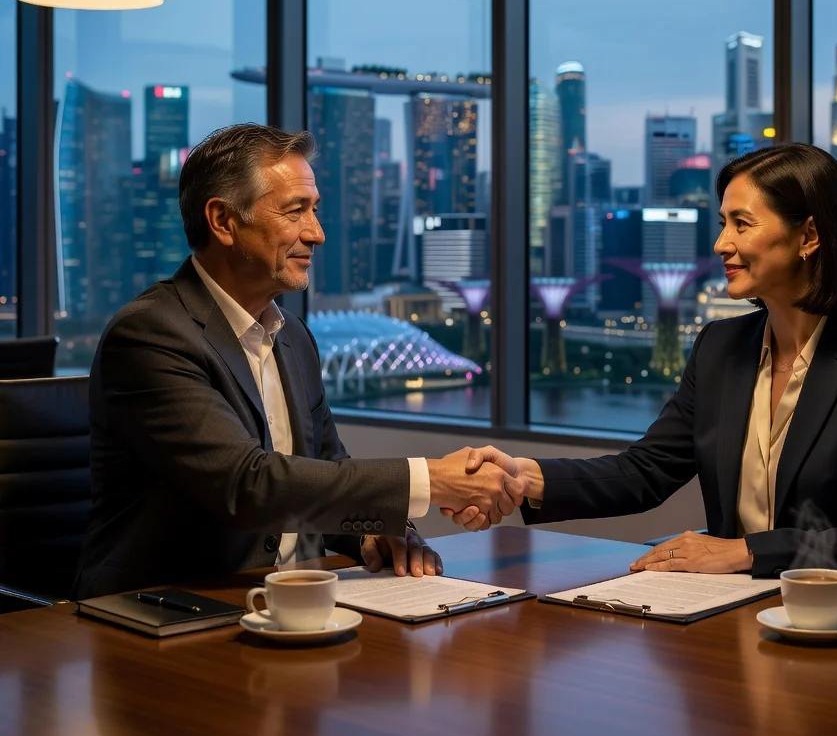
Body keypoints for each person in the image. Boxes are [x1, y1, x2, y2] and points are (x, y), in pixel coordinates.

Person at [449, 144, 837, 580]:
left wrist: (743, 552)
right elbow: (646, 472)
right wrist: (524, 476)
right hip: (733, 608)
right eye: (723, 223)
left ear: (808, 236)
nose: (721, 243)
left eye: (741, 224)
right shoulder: (721, 348)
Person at [73, 124, 519, 599]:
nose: (318, 233)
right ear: (223, 221)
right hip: (171, 615)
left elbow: (325, 468)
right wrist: (431, 479)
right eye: (295, 212)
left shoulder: (294, 338)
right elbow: (248, 487)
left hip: (294, 606)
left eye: (315, 210)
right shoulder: (151, 334)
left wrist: (369, 534)